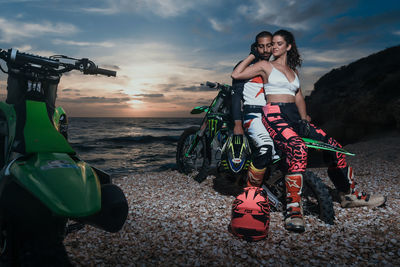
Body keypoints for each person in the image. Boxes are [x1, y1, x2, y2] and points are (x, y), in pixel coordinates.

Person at [232, 29, 386, 233]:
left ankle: (348, 195)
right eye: (271, 44)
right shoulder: (264, 65)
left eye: (278, 44)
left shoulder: (293, 72)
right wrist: (253, 53)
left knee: (335, 148)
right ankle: (294, 208)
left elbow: (299, 97)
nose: (273, 47)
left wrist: (304, 119)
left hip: (294, 116)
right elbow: (236, 74)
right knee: (297, 149)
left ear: (288, 46)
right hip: (274, 114)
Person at [231, 31, 275, 188]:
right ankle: (250, 191)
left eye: (268, 46)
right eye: (261, 47)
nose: (265, 50)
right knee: (265, 148)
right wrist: (237, 123)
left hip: (272, 116)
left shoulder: (277, 68)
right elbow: (236, 96)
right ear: (256, 47)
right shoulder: (246, 67)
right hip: (252, 114)